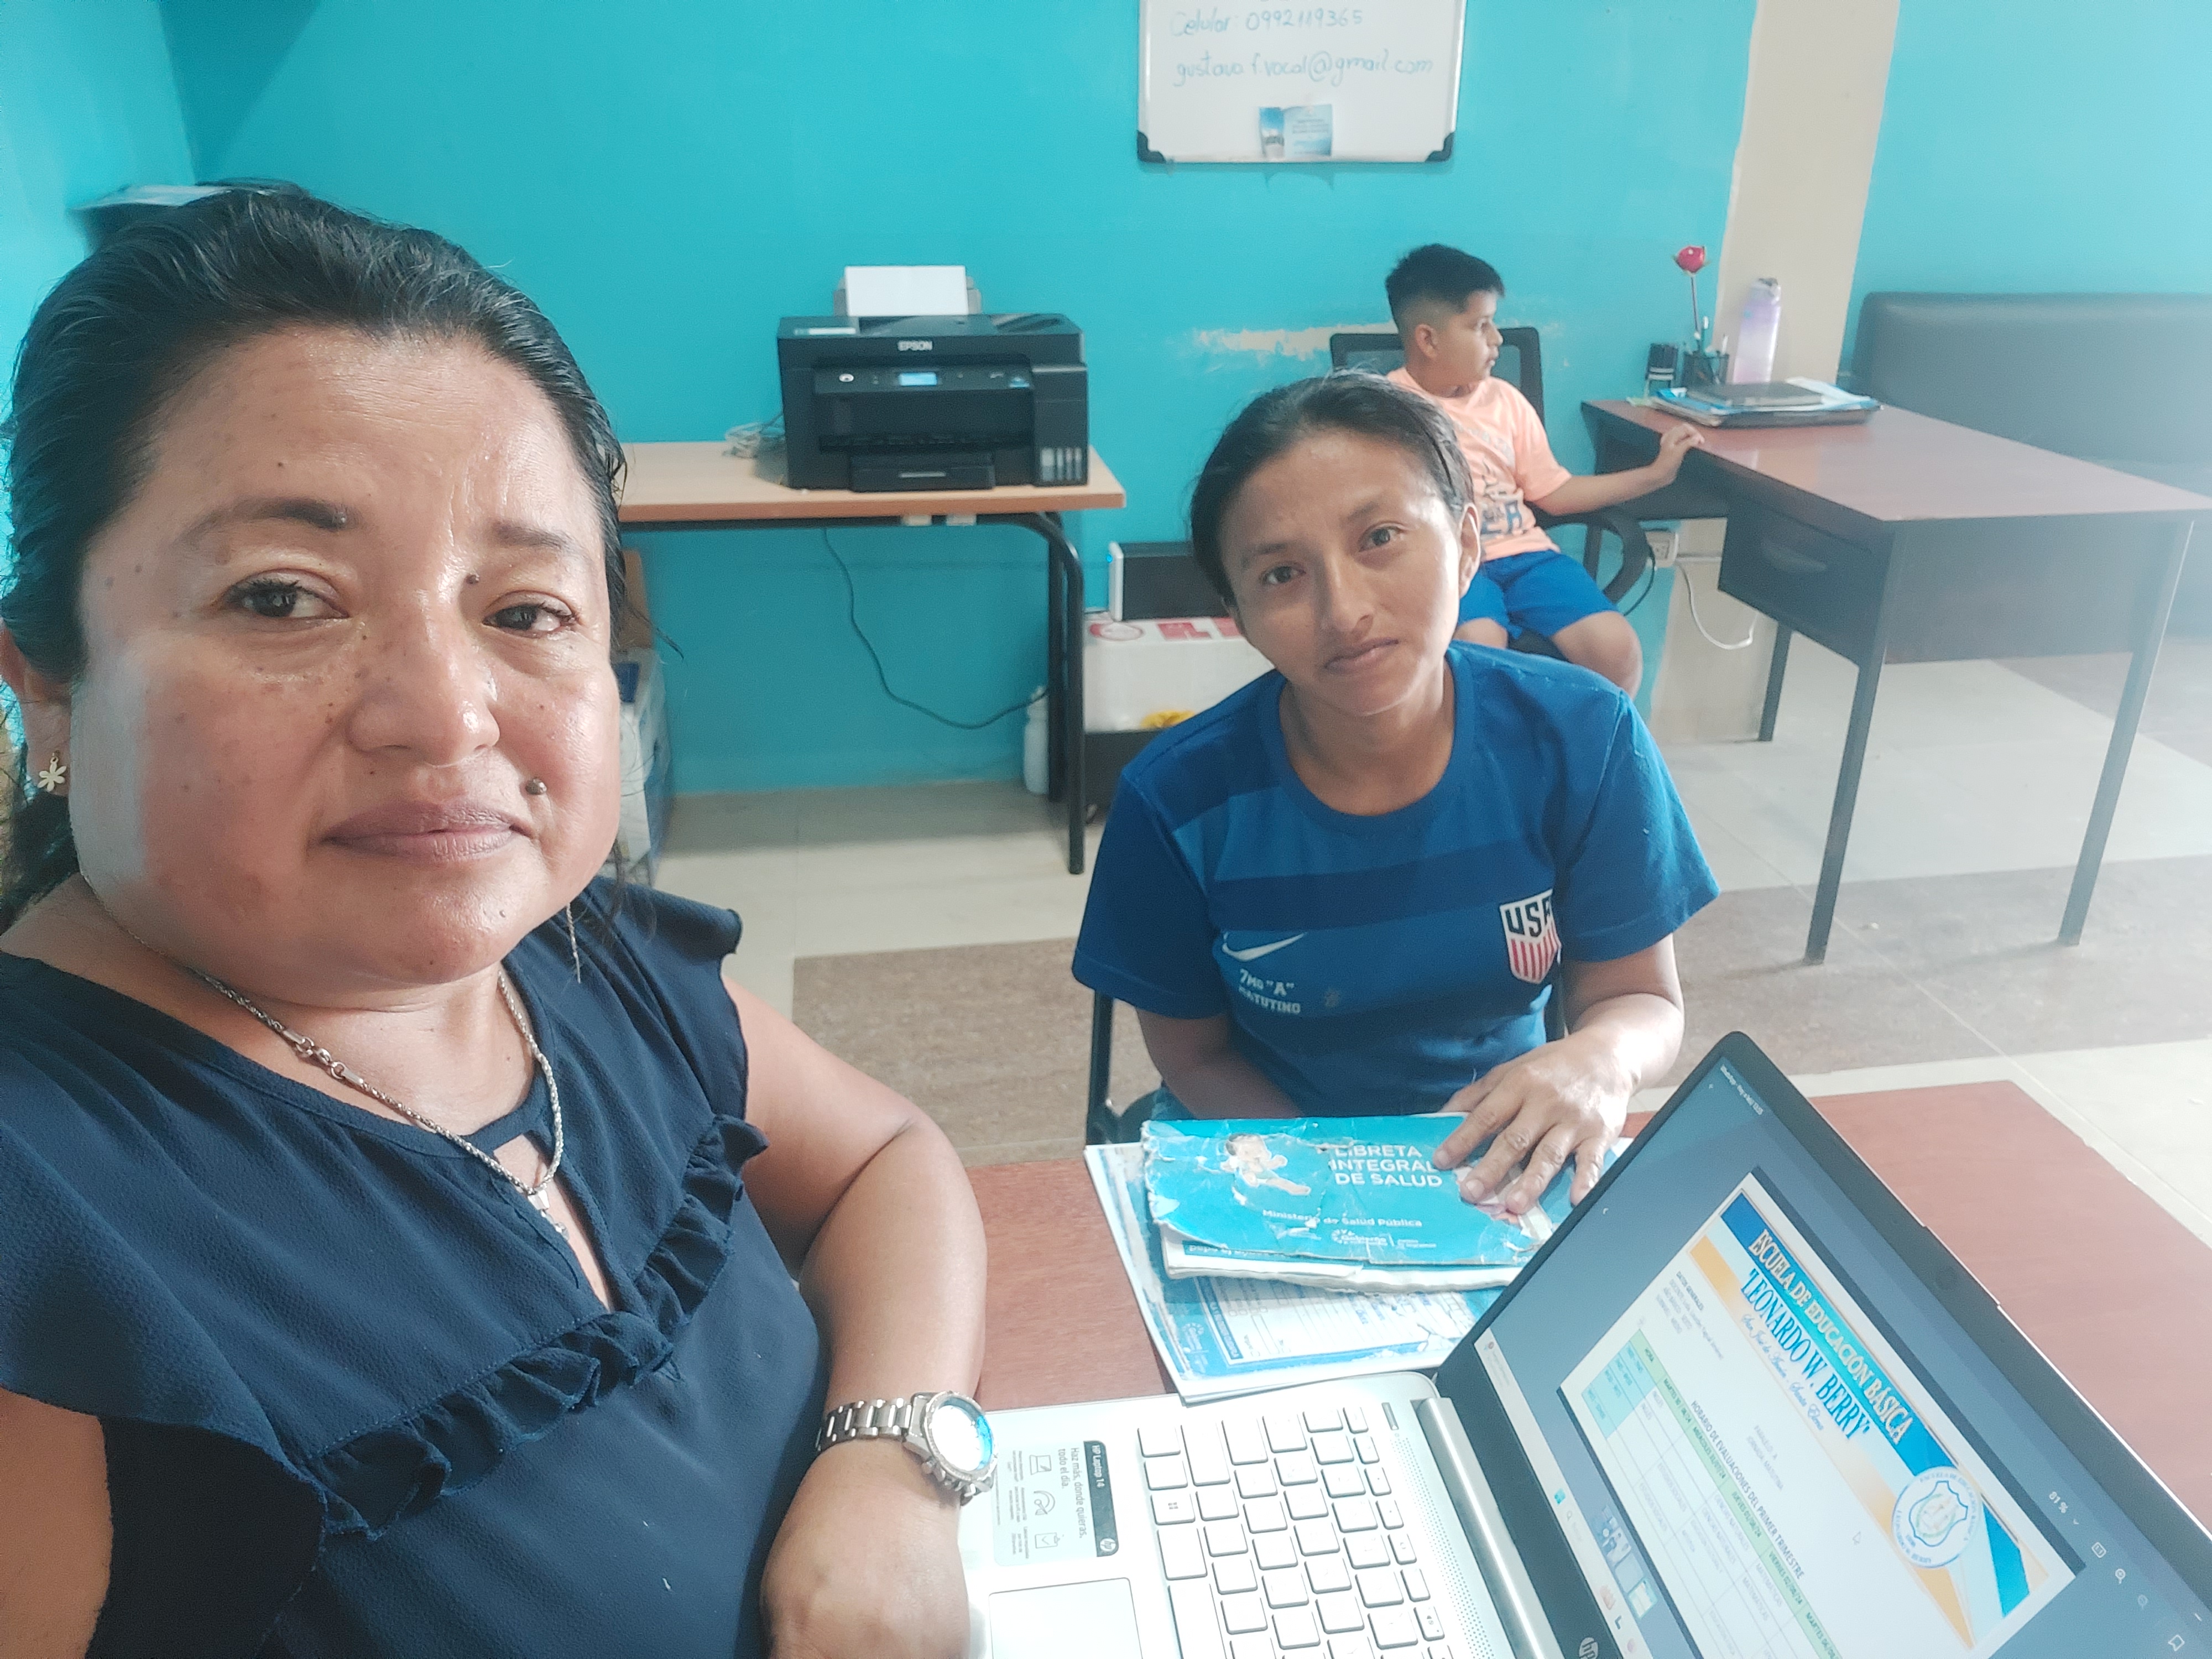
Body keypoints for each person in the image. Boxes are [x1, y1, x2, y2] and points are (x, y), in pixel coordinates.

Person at [0, 188, 983, 1659]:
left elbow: (886, 1162)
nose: (447, 715)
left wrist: (895, 1472)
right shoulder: (48, 1241)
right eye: (284, 597)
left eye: (525, 611)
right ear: (47, 681)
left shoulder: (583, 960)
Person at [1072, 374, 1717, 1215]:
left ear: (1467, 545)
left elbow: (1640, 1000)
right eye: (1281, 574)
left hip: (1497, 1157)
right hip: (1278, 1154)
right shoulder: (1178, 801)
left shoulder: (1584, 737)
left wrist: (1601, 1058)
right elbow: (1193, 1058)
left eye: (1380, 537)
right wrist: (1345, 1189)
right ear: (1237, 613)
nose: (1344, 612)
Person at [1383, 243, 1704, 693]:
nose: (1497, 339)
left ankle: (1598, 740)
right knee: (1478, 649)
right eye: (1480, 325)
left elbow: (1554, 492)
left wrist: (1655, 475)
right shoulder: (1385, 412)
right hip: (1451, 561)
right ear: (1428, 340)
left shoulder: (1505, 401)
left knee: (1617, 649)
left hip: (1527, 556)